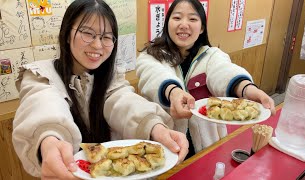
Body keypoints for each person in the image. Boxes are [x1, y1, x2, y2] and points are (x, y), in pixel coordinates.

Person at [12, 0, 188, 179]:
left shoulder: (111, 77)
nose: (97, 45)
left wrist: (155, 126)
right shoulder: (40, 74)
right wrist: (48, 140)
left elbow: (123, 100)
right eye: (88, 33)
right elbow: (42, 103)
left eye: (106, 37)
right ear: (66, 34)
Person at [136, 0, 276, 158]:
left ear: (201, 28)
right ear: (167, 23)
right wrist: (174, 92)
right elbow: (154, 74)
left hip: (207, 146)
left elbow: (223, 71)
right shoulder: (150, 56)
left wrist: (248, 89)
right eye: (177, 18)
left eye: (192, 19)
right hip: (165, 145)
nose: (184, 24)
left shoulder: (212, 56)